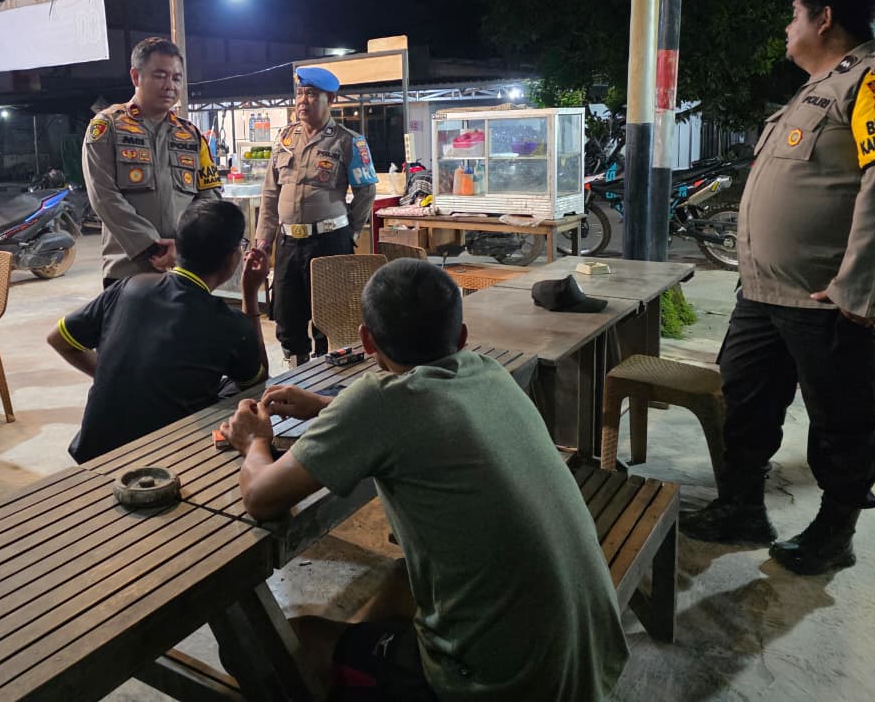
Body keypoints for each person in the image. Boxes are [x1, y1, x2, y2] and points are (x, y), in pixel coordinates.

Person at [220, 259, 627, 700]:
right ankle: (364, 666)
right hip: (589, 654)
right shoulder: (488, 372)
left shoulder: (378, 403)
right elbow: (414, 412)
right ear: (462, 336)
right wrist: (326, 406)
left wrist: (254, 441)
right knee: (401, 579)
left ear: (366, 341)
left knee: (284, 642)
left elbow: (260, 497)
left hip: (507, 685)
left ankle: (359, 673)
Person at [681, 0, 875, 575]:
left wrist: (859, 291)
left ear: (823, 18)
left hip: (826, 296)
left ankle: (834, 533)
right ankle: (742, 509)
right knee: (744, 401)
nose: (786, 27)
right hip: (763, 292)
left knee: (841, 420)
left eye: (794, 15)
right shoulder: (815, 89)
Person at [47, 199, 269, 463]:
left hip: (93, 450)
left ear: (178, 247)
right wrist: (250, 294)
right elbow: (256, 384)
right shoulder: (229, 323)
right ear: (233, 257)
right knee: (241, 398)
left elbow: (58, 339)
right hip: (163, 459)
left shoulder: (129, 287)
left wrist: (115, 377)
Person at [253, 66, 377, 365]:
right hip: (288, 244)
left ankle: (328, 378)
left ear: (330, 99)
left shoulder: (348, 141)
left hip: (328, 243)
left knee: (330, 319)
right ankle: (295, 374)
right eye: (300, 94)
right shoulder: (285, 138)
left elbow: (366, 193)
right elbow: (270, 194)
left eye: (311, 94)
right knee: (287, 317)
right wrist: (262, 241)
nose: (302, 101)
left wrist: (348, 233)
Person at [82, 37, 222, 288]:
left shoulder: (192, 136)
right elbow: (103, 196)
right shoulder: (108, 127)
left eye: (176, 78)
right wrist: (151, 247)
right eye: (160, 75)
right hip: (128, 270)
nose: (169, 85)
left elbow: (209, 199)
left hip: (184, 268)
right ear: (135, 77)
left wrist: (184, 247)